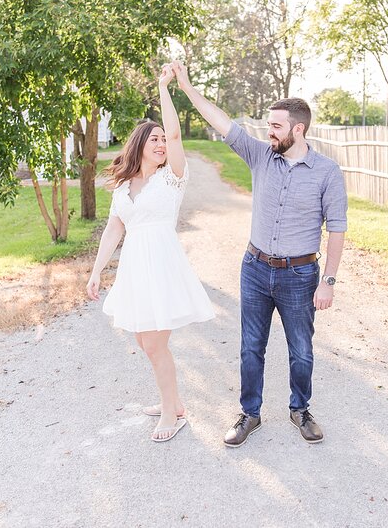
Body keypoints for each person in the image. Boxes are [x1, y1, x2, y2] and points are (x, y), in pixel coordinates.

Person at [168, 60, 348, 448]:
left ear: (298, 129)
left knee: (301, 350)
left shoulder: (327, 172)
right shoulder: (260, 155)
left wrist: (329, 281)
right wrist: (185, 85)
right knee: (251, 346)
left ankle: (300, 409)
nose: (269, 132)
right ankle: (250, 413)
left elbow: (337, 229)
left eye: (276, 126)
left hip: (300, 276)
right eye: (269, 126)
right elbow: (221, 121)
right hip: (254, 268)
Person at [86, 65, 215, 443]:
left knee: (155, 343)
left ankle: (172, 414)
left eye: (163, 139)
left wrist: (164, 87)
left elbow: (175, 133)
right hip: (134, 269)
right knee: (144, 341)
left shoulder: (172, 177)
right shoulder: (125, 186)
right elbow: (115, 228)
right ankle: (171, 400)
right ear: (139, 145)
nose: (161, 143)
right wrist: (96, 272)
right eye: (154, 139)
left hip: (161, 265)